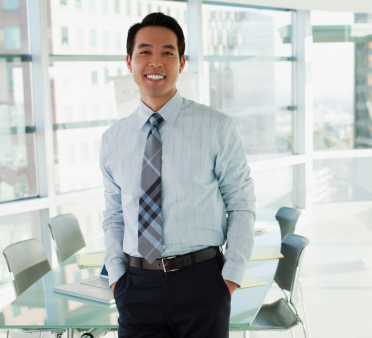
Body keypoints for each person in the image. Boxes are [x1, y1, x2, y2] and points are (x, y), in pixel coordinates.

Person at [99, 12, 256, 338]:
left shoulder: (216, 127)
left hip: (201, 283)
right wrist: (116, 276)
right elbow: (114, 215)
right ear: (129, 61)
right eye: (145, 52)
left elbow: (241, 204)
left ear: (181, 62)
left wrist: (228, 280)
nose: (155, 62)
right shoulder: (113, 138)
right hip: (135, 285)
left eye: (167, 53)